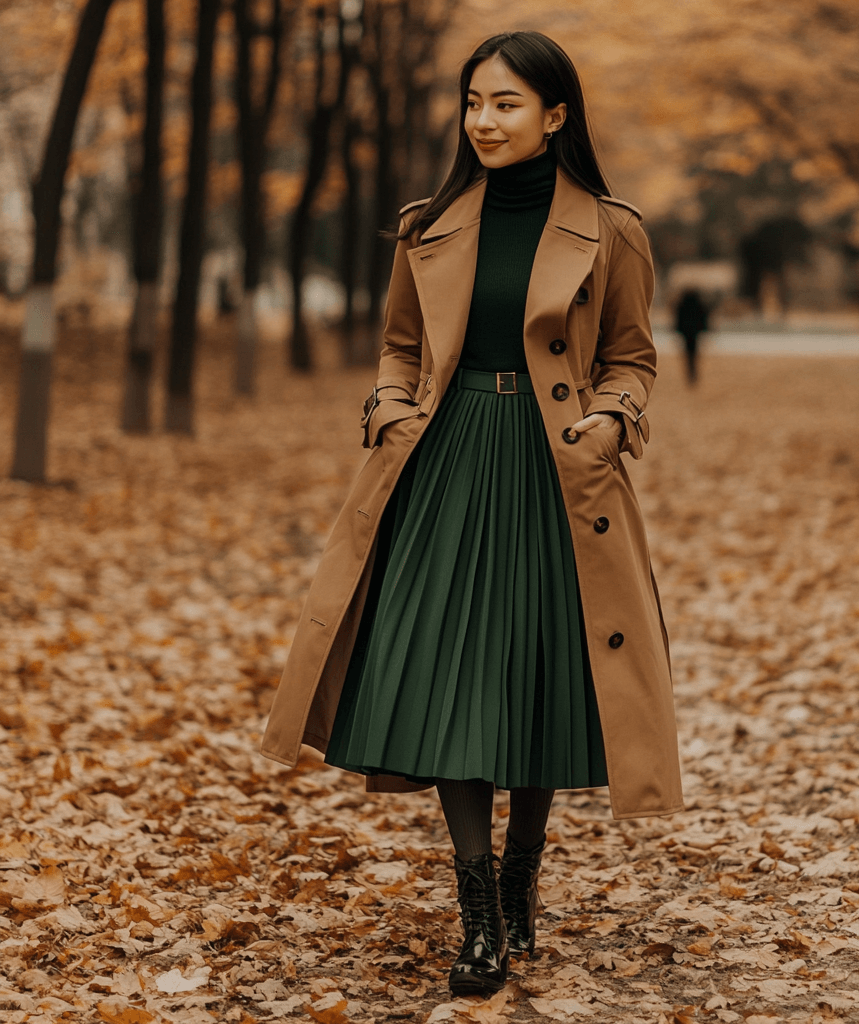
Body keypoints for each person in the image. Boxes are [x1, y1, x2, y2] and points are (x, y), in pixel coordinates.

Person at [260, 31, 682, 997]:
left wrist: (614, 420)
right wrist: (391, 403)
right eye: (473, 102)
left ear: (555, 114)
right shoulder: (430, 224)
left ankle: (526, 877)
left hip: (557, 469)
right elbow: (400, 349)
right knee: (455, 677)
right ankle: (481, 911)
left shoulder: (613, 231)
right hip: (445, 466)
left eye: (505, 104)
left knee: (534, 672)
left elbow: (633, 356)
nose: (483, 121)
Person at [674, 288, 710, 385]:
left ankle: (691, 374)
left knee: (689, 355)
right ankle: (693, 374)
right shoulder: (699, 305)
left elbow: (678, 320)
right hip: (694, 333)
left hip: (686, 333)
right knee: (693, 354)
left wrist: (678, 330)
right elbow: (704, 319)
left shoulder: (682, 305)